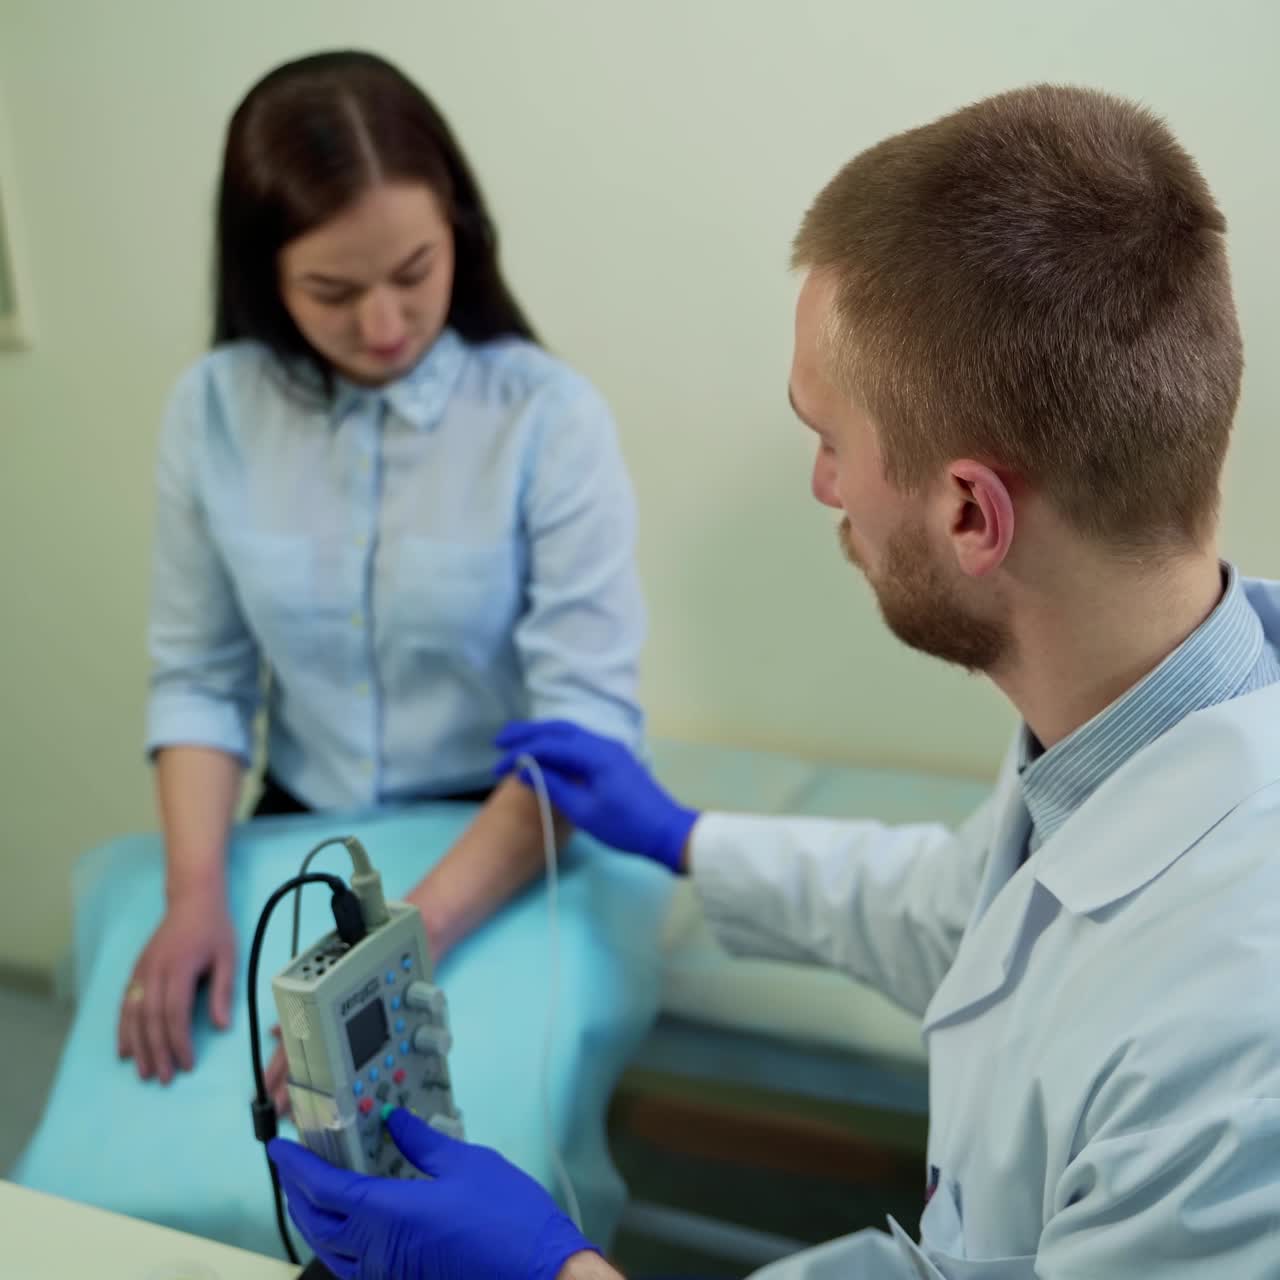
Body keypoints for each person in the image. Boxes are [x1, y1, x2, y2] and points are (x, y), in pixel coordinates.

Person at [269, 83, 1280, 1278]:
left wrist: (552, 1272)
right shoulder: (1131, 715)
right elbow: (960, 914)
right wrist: (681, 835)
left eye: (827, 439)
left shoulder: (1229, 1034)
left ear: (969, 510)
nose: (822, 488)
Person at [117, 50, 645, 1092]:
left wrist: (405, 943)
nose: (384, 325)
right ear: (264, 274)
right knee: (210, 1112)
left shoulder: (546, 418)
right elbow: (200, 679)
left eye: (413, 273)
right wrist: (192, 893)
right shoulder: (214, 408)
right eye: (331, 290)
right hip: (301, 829)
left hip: (500, 840)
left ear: (461, 233)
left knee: (455, 1135)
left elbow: (582, 726)